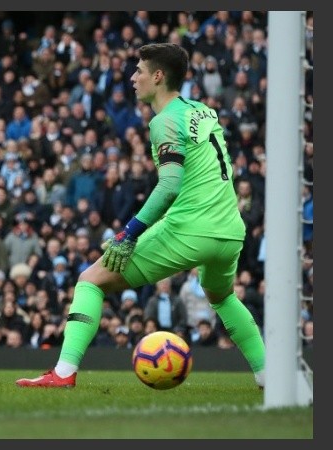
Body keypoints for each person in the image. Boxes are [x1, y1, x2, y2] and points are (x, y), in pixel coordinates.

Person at [16, 43, 265, 389]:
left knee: (90, 280)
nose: (133, 78)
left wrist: (129, 232)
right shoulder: (204, 111)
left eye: (139, 71)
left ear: (158, 76)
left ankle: (63, 373)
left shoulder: (164, 122)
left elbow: (169, 187)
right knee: (222, 297)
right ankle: (269, 375)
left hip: (190, 228)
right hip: (230, 229)